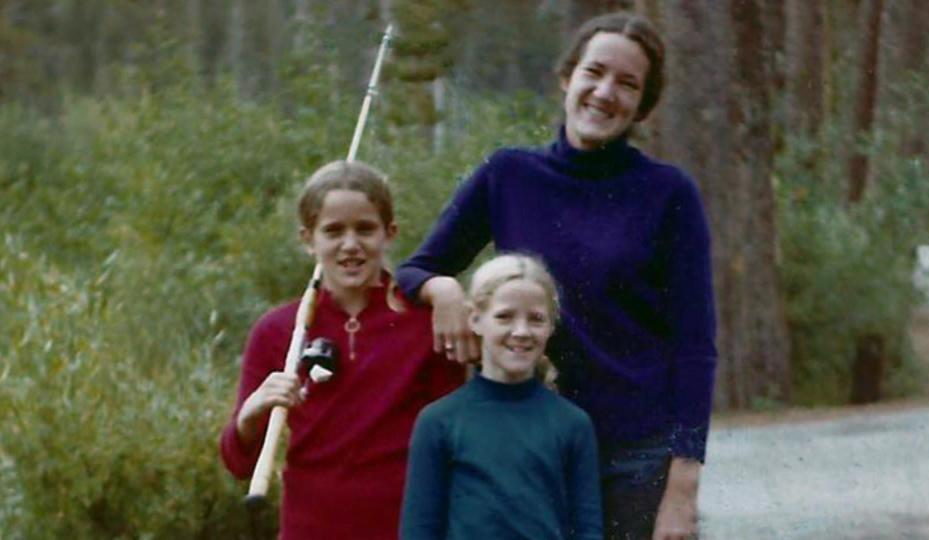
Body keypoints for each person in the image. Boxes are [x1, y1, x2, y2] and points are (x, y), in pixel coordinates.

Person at [396, 12, 716, 540]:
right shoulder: (508, 175)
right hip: (526, 446)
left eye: (627, 83)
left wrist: (683, 488)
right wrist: (444, 289)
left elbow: (695, 345)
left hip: (634, 457)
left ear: (642, 105)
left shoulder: (668, 193)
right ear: (567, 77)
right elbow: (416, 268)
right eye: (595, 72)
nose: (605, 92)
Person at [220, 160, 464, 539]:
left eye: (365, 229)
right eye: (333, 231)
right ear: (308, 239)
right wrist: (251, 415)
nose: (350, 244)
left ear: (389, 233)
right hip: (309, 529)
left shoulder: (425, 322)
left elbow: (456, 444)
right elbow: (237, 462)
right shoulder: (275, 332)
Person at [400, 254, 603, 540]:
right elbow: (418, 530)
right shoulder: (438, 421)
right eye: (505, 316)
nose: (521, 332)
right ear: (476, 319)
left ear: (550, 327)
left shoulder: (573, 423)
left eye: (535, 319)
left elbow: (588, 529)